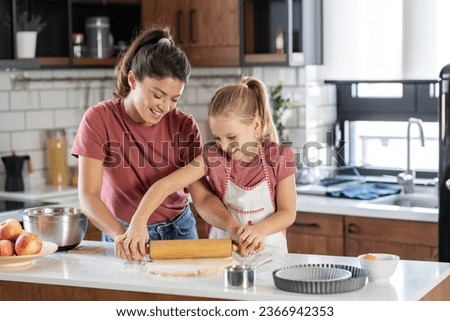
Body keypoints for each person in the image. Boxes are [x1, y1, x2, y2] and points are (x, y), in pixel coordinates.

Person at [71, 26, 242, 261]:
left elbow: (201, 198)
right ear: (133, 79)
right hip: (123, 233)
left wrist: (233, 227)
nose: (165, 107)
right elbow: (88, 196)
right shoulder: (98, 119)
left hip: (180, 232)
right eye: (158, 95)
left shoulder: (184, 126)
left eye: (174, 99)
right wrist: (122, 235)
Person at [115, 76, 297, 260]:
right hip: (224, 253)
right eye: (218, 138)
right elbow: (164, 186)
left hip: (270, 253)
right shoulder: (214, 157)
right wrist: (138, 222)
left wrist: (258, 231)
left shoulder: (280, 157)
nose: (224, 146)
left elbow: (287, 213)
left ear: (256, 125)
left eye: (232, 137)